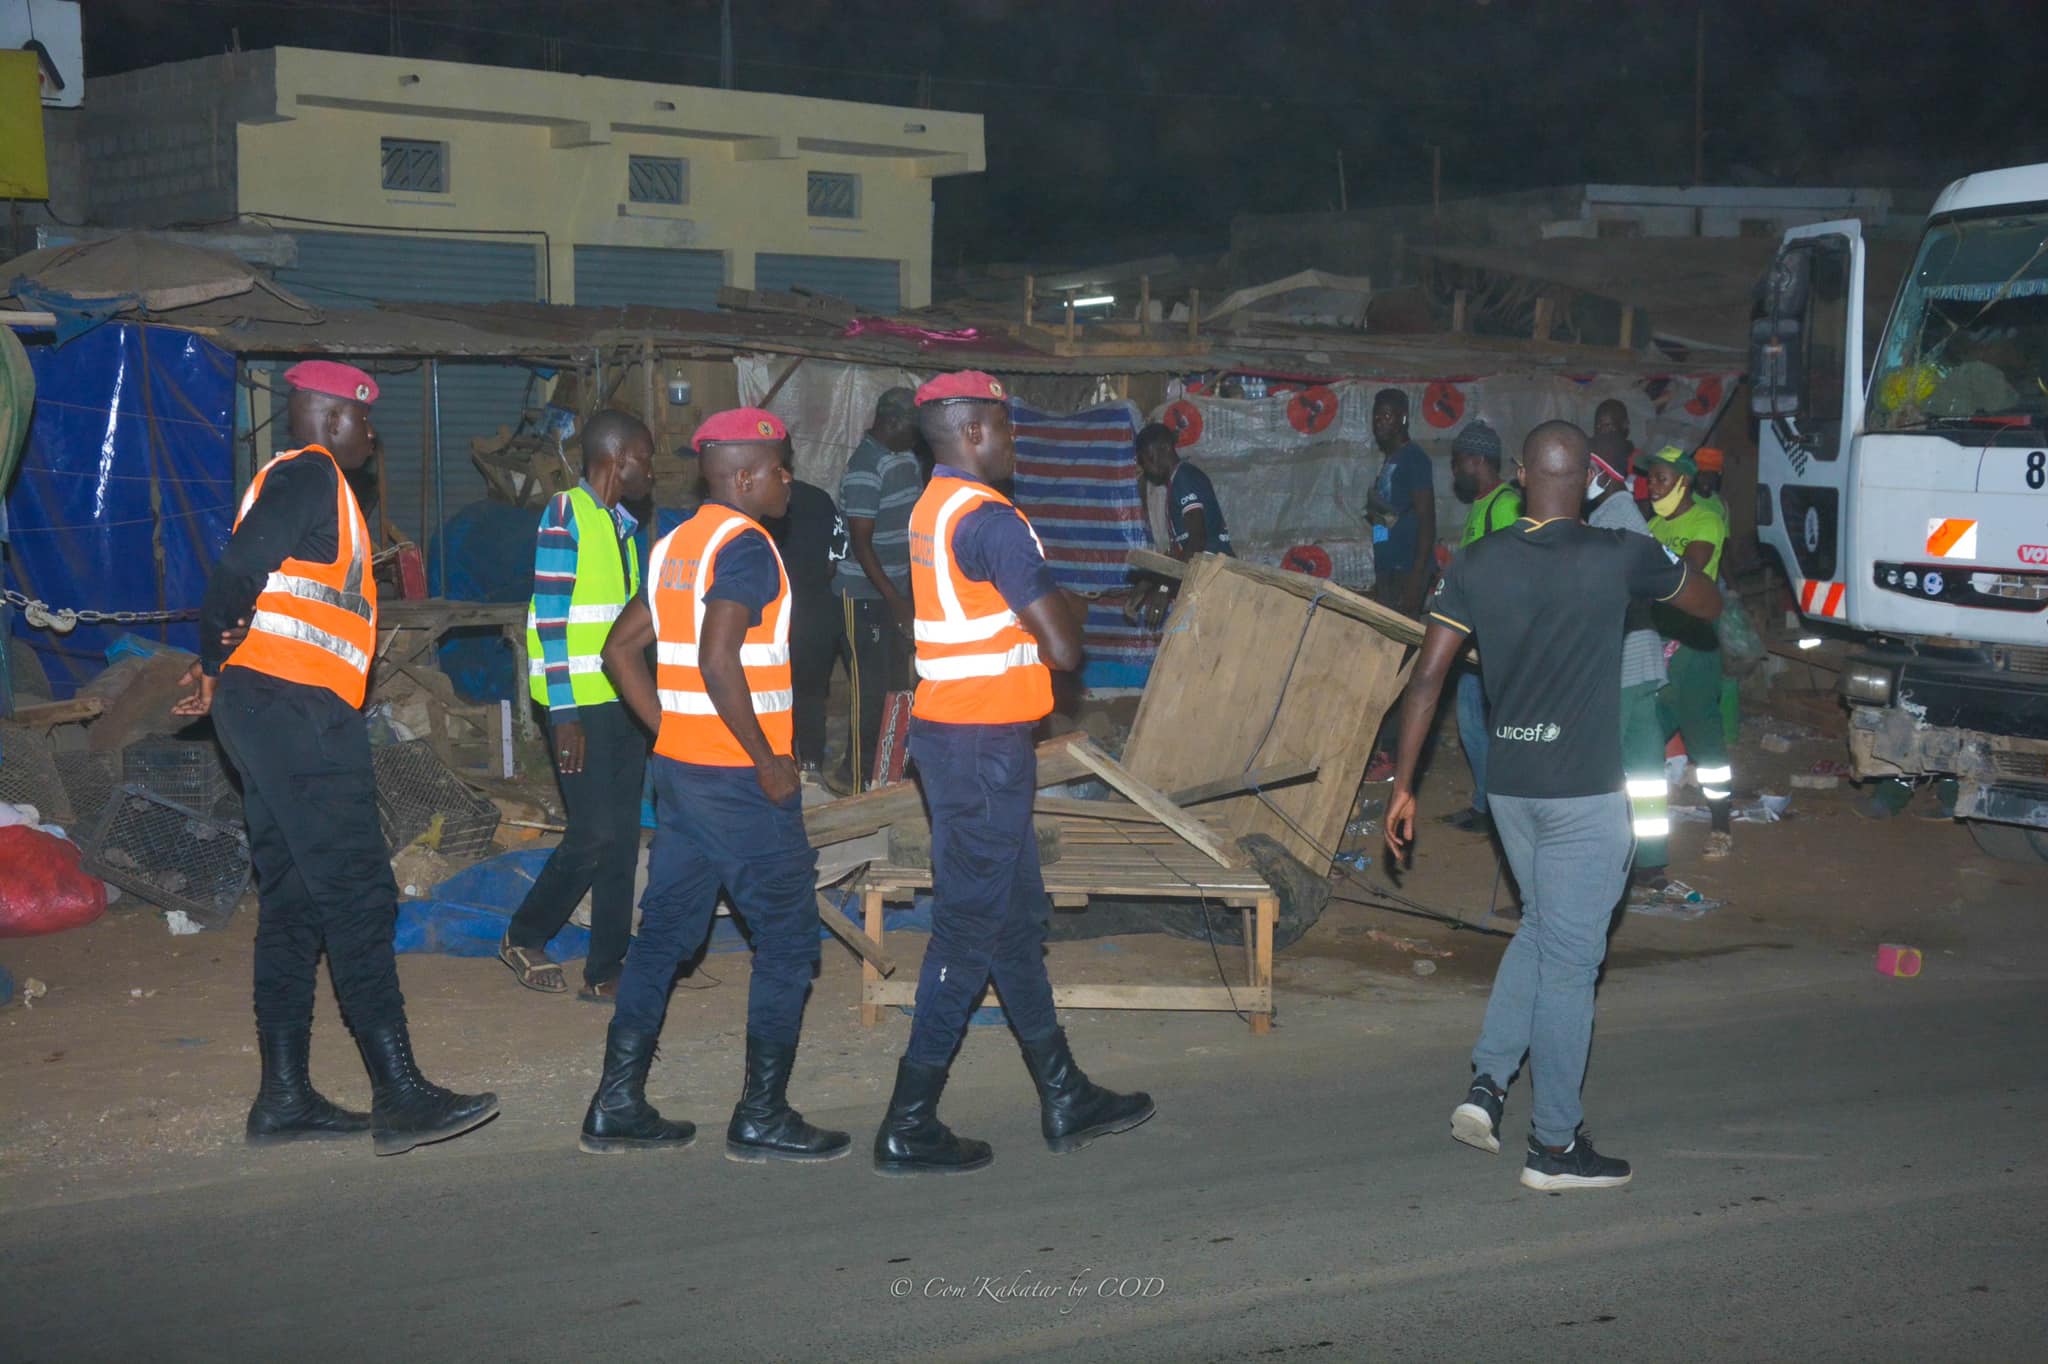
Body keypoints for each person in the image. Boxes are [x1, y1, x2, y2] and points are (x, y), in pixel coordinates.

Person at [1385, 421, 1721, 1191]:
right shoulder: (1620, 554)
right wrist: (1653, 545)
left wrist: (1403, 786)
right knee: (1573, 961)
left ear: (1515, 476)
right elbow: (1705, 603)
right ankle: (1556, 1147)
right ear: (1592, 483)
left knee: (1544, 929)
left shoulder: (1474, 562)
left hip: (1511, 788)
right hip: (1583, 793)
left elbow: (1427, 680)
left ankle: (1487, 1083)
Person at [175, 361, 497, 1156]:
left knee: (295, 902)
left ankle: (284, 1098)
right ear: (331, 419)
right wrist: (214, 667)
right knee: (357, 892)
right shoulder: (312, 477)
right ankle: (401, 1095)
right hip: (293, 712)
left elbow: (262, 591)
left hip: (274, 710)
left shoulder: (313, 489)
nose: (371, 435)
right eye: (364, 420)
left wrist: (222, 673)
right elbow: (234, 575)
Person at [873, 370, 1154, 1177]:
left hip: (956, 740)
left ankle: (1065, 1094)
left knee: (1015, 916)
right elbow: (1065, 650)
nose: (1013, 441)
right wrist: (1066, 606)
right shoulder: (995, 521)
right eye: (1004, 426)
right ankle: (910, 1117)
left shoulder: (932, 506)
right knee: (969, 924)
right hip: (983, 749)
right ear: (970, 433)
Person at [577, 407, 848, 1162]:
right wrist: (768, 757)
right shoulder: (751, 548)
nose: (788, 480)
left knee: (664, 934)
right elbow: (719, 657)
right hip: (738, 781)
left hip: (683, 775)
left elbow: (617, 650)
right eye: (779, 467)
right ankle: (762, 1114)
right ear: (744, 476)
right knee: (790, 942)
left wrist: (670, 730)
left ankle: (616, 1103)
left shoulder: (675, 545)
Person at [500, 411, 654, 1003]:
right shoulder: (566, 515)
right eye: (644, 458)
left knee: (621, 837)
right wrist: (561, 713)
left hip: (622, 704)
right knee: (591, 833)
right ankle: (522, 934)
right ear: (617, 460)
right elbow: (551, 621)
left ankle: (606, 968)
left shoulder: (623, 527)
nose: (650, 471)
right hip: (579, 709)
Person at [1588, 433, 1676, 898]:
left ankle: (1613, 863)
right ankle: (1651, 862)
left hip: (1620, 665)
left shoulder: (1610, 517)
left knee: (1607, 770)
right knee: (1645, 772)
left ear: (1599, 474)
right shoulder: (1625, 516)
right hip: (1642, 660)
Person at [1643, 444, 1736, 860]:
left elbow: (1689, 574)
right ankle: (1644, 841)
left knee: (1707, 745)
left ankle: (1721, 826)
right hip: (1653, 645)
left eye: (1662, 479)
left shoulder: (1707, 520)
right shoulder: (1652, 526)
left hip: (1693, 647)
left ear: (1684, 482)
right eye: (1651, 478)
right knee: (1642, 737)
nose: (1653, 486)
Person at [832, 386, 923, 793]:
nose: (917, 436)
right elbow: (861, 544)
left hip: (896, 591)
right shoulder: (864, 468)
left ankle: (886, 773)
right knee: (869, 693)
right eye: (912, 427)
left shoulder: (904, 457)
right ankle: (855, 781)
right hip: (862, 595)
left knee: (896, 687)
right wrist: (897, 601)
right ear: (891, 423)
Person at [1442, 419, 1520, 835]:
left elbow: (1512, 570)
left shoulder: (1506, 504)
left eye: (1458, 462)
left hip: (1497, 636)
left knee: (1494, 726)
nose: (1455, 471)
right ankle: (1484, 803)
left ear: (1476, 460)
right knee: (1472, 722)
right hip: (1477, 634)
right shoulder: (1482, 505)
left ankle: (1500, 809)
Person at [767, 441, 849, 780]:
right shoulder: (819, 499)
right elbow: (835, 560)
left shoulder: (753, 506)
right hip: (815, 612)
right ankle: (812, 765)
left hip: (771, 617)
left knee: (771, 695)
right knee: (811, 693)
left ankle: (779, 763)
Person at [1127, 420, 1234, 628]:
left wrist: (1164, 590)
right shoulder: (1178, 481)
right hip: (1207, 575)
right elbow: (1182, 550)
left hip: (1211, 575)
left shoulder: (1183, 478)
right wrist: (1146, 585)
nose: (1147, 467)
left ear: (1165, 448)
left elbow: (1197, 540)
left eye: (1149, 458)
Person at [1367, 388, 1437, 617]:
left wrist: (1416, 579)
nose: (1380, 422)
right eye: (1376, 417)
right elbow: (1386, 520)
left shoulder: (1414, 458)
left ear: (1404, 418)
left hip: (1406, 570)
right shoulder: (1390, 460)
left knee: (1398, 647)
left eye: (1387, 416)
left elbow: (1427, 520)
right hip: (1389, 569)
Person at [1592, 398, 1648, 506]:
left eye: (1608, 426)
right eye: (1598, 426)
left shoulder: (1638, 460)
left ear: (1625, 425)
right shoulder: (1591, 458)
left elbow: (1644, 507)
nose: (1602, 431)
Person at [1691, 446, 1728, 526]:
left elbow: (1725, 536)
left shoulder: (1722, 504)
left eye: (1712, 475)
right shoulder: (1685, 499)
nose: (1707, 479)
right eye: (1703, 474)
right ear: (1695, 475)